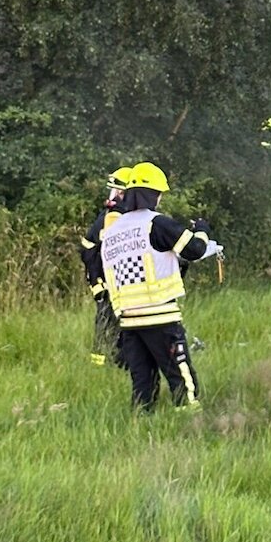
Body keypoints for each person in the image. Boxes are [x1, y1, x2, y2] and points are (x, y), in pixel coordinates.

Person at [100, 161, 214, 410]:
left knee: (142, 381)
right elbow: (195, 250)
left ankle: (142, 419)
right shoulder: (157, 223)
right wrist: (203, 230)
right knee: (180, 376)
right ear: (154, 195)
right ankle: (191, 418)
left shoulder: (112, 231)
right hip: (160, 315)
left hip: (128, 319)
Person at [80, 164, 135, 367]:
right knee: (107, 323)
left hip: (113, 281)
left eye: (119, 192)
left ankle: (117, 362)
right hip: (108, 282)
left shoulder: (125, 217)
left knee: (119, 325)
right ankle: (101, 366)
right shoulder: (111, 218)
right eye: (114, 192)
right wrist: (98, 282)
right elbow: (92, 250)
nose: (114, 197)